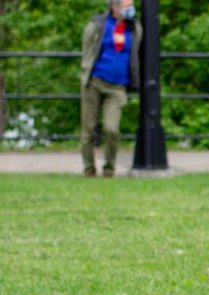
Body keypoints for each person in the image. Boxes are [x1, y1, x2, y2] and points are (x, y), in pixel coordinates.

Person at [80, 0, 141, 178]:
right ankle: (89, 169)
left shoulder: (135, 29)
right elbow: (87, 49)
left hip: (117, 87)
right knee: (88, 128)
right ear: (114, 7)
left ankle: (109, 169)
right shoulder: (98, 25)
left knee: (112, 129)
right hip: (94, 82)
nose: (131, 9)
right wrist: (86, 72)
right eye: (127, 5)